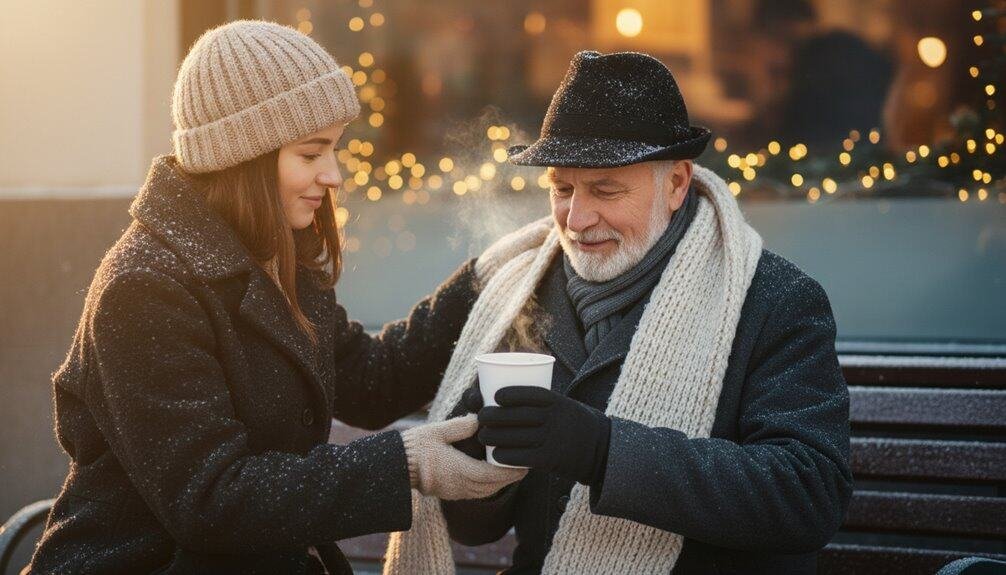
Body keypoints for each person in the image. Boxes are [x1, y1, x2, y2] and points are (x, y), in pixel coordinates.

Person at [27, 20, 522, 575]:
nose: (332, 175)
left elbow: (371, 380)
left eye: (333, 150)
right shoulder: (146, 288)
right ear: (244, 157)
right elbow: (212, 498)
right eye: (311, 154)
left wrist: (485, 277)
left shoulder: (272, 256)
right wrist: (405, 462)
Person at [383, 51, 852, 575]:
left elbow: (808, 495)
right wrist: (479, 457)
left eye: (606, 190)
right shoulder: (514, 289)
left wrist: (603, 450)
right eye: (562, 189)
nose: (577, 219)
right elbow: (474, 529)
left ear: (676, 183)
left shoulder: (774, 298)